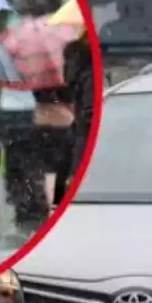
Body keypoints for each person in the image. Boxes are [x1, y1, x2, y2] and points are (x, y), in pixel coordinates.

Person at [49, 30, 95, 206]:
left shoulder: (77, 67)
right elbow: (89, 114)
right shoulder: (89, 73)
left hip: (76, 136)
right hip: (81, 136)